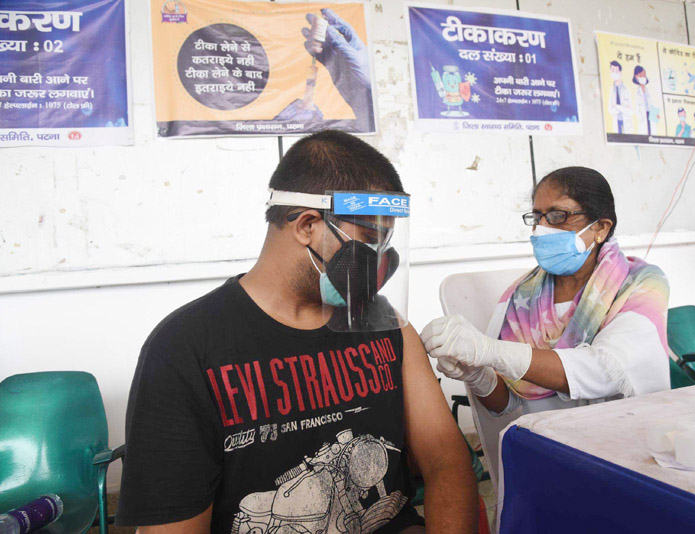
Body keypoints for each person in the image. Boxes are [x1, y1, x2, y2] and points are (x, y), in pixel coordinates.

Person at [117, 130, 477, 534]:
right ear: (307, 225)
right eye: (368, 241)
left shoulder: (383, 322)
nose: (377, 262)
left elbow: (446, 459)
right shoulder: (185, 348)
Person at [421, 167, 670, 418]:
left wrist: (491, 351)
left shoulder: (640, 285)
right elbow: (507, 405)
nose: (541, 229)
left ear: (600, 228)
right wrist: (478, 375)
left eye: (557, 215)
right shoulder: (521, 298)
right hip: (547, 438)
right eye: (537, 217)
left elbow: (607, 371)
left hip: (619, 435)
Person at [607, 61, 632, 134]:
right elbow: (610, 110)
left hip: (626, 121)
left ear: (620, 72)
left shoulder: (626, 89)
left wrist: (617, 106)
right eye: (612, 71)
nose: (614, 73)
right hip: (616, 121)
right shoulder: (611, 90)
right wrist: (622, 108)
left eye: (616, 71)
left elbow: (630, 110)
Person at [632, 65, 654, 136]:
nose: (643, 77)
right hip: (643, 117)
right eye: (640, 76)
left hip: (650, 114)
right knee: (645, 133)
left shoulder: (648, 91)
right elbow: (637, 108)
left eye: (644, 75)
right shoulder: (637, 92)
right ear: (636, 77)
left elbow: (652, 104)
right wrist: (641, 117)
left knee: (652, 132)